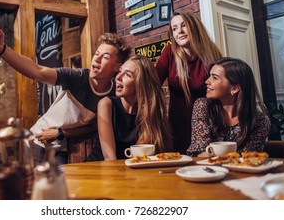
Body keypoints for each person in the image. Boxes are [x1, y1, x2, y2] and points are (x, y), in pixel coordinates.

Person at [0, 24, 131, 164]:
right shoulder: (77, 77)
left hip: (62, 147)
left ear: (117, 68)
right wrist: (2, 50)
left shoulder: (113, 95)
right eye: (97, 53)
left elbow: (93, 126)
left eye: (105, 57)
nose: (96, 59)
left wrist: (61, 132)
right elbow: (37, 71)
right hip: (38, 140)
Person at [155, 11, 223, 153]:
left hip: (209, 124)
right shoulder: (169, 53)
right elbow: (152, 84)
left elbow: (224, 91)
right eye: (174, 28)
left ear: (194, 27)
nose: (179, 31)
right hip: (177, 125)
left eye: (183, 25)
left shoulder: (211, 53)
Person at [86, 55, 172, 161]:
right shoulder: (106, 104)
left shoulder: (149, 111)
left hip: (130, 172)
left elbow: (153, 156)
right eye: (120, 71)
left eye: (127, 74)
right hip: (100, 170)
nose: (118, 77)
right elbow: (109, 158)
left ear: (140, 84)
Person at [186, 57, 271, 156]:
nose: (207, 81)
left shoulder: (260, 121)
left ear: (234, 88)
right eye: (210, 76)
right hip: (208, 170)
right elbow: (199, 152)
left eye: (215, 78)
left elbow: (247, 159)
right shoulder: (203, 106)